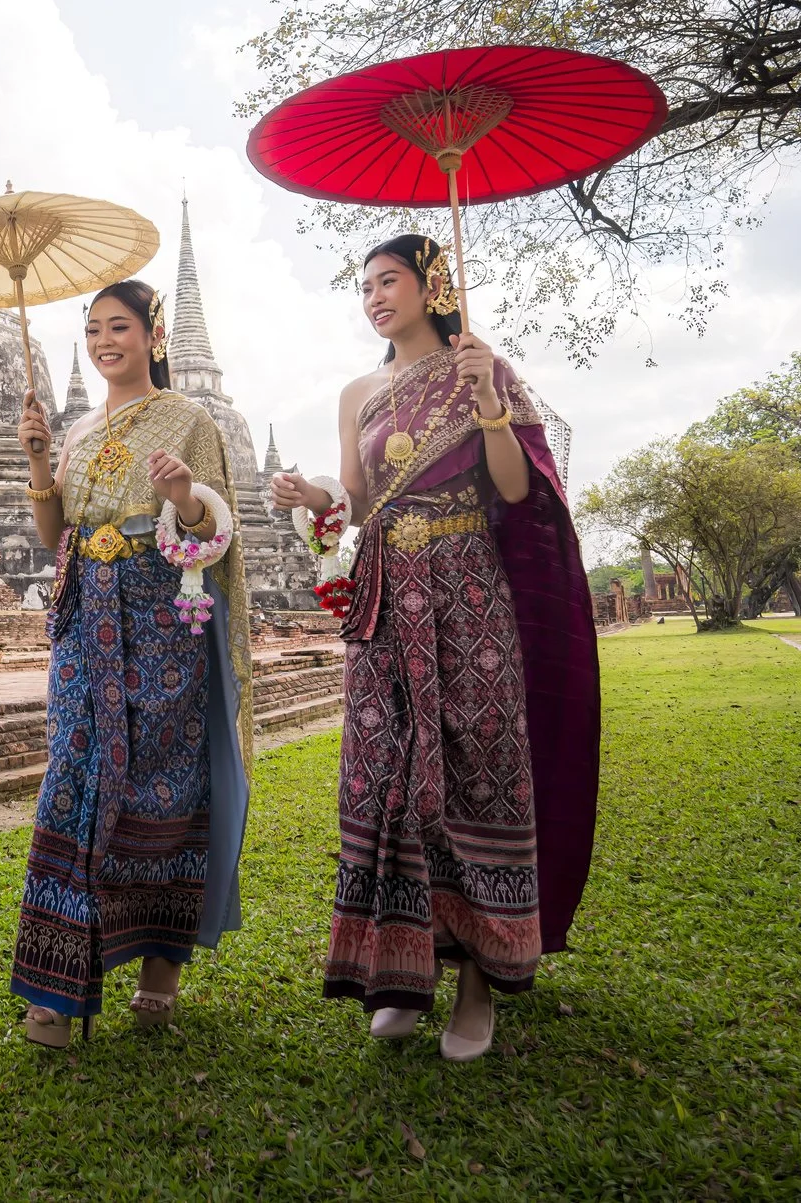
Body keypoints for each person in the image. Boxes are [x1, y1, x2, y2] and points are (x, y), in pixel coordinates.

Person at [270, 235, 599, 1061]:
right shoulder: (360, 392)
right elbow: (353, 505)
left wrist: (490, 402)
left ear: (432, 284)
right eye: (366, 286)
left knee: (475, 766)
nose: (376, 297)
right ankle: (402, 970)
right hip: (385, 599)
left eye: (390, 281)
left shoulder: (481, 369)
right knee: (385, 772)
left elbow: (517, 488)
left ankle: (478, 983)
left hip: (467, 590)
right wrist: (310, 496)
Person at [9, 279, 254, 1047]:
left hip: (163, 620)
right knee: (72, 773)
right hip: (87, 616)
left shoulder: (189, 418)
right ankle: (54, 983)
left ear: (153, 333)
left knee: (163, 780)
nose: (104, 340)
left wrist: (183, 494)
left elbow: (216, 532)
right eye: (92, 329)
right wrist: (41, 461)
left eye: (119, 326)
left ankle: (160, 967)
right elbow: (56, 531)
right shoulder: (78, 429)